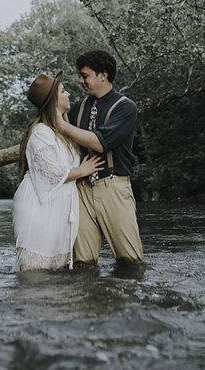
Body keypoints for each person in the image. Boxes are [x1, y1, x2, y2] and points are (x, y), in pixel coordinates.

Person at [12, 71, 104, 272]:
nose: (69, 94)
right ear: (54, 99)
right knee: (33, 274)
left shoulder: (61, 130)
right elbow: (52, 173)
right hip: (38, 207)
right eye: (63, 91)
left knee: (54, 275)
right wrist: (82, 170)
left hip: (57, 207)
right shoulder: (41, 132)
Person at [59, 50, 144, 266]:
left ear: (103, 76)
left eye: (85, 75)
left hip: (113, 187)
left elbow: (99, 143)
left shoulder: (126, 107)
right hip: (81, 189)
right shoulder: (77, 108)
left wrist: (61, 125)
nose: (80, 80)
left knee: (130, 262)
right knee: (82, 264)